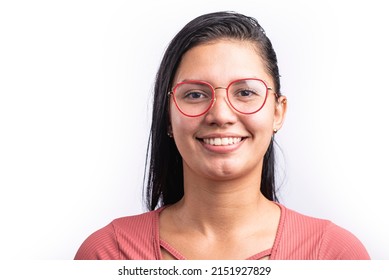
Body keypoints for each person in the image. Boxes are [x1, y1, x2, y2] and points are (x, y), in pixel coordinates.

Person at [74, 11, 370, 260]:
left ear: (278, 112)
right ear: (168, 116)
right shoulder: (108, 254)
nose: (220, 115)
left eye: (244, 92)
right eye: (195, 94)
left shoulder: (333, 254)